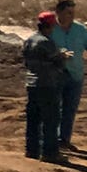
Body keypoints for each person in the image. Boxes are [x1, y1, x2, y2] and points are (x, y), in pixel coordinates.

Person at [49, 0, 87, 150]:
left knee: (70, 109)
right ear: (58, 12)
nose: (71, 16)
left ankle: (64, 139)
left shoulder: (80, 29)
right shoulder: (49, 29)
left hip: (75, 74)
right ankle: (50, 140)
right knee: (52, 108)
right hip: (54, 74)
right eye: (68, 12)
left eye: (73, 13)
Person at [21, 11, 69, 163]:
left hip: (32, 82)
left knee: (33, 118)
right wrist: (63, 57)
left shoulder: (30, 39)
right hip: (47, 83)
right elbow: (57, 63)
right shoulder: (46, 42)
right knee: (50, 119)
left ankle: (32, 150)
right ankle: (50, 152)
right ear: (50, 26)